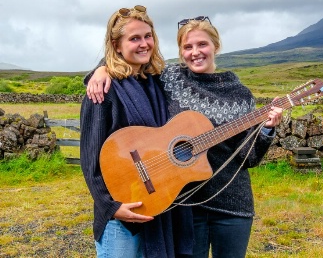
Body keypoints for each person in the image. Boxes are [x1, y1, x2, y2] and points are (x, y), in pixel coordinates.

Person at [86, 16, 283, 258]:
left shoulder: (240, 95)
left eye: (202, 44)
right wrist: (101, 69)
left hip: (233, 204)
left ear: (216, 46)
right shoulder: (169, 79)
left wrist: (266, 130)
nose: (195, 52)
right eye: (187, 47)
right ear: (180, 52)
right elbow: (129, 62)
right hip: (187, 207)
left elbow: (248, 157)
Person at [80, 5, 193, 258]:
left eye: (148, 36)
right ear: (116, 45)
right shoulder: (104, 90)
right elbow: (90, 158)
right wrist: (111, 207)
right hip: (122, 216)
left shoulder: (157, 83)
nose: (144, 44)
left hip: (158, 202)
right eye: (134, 38)